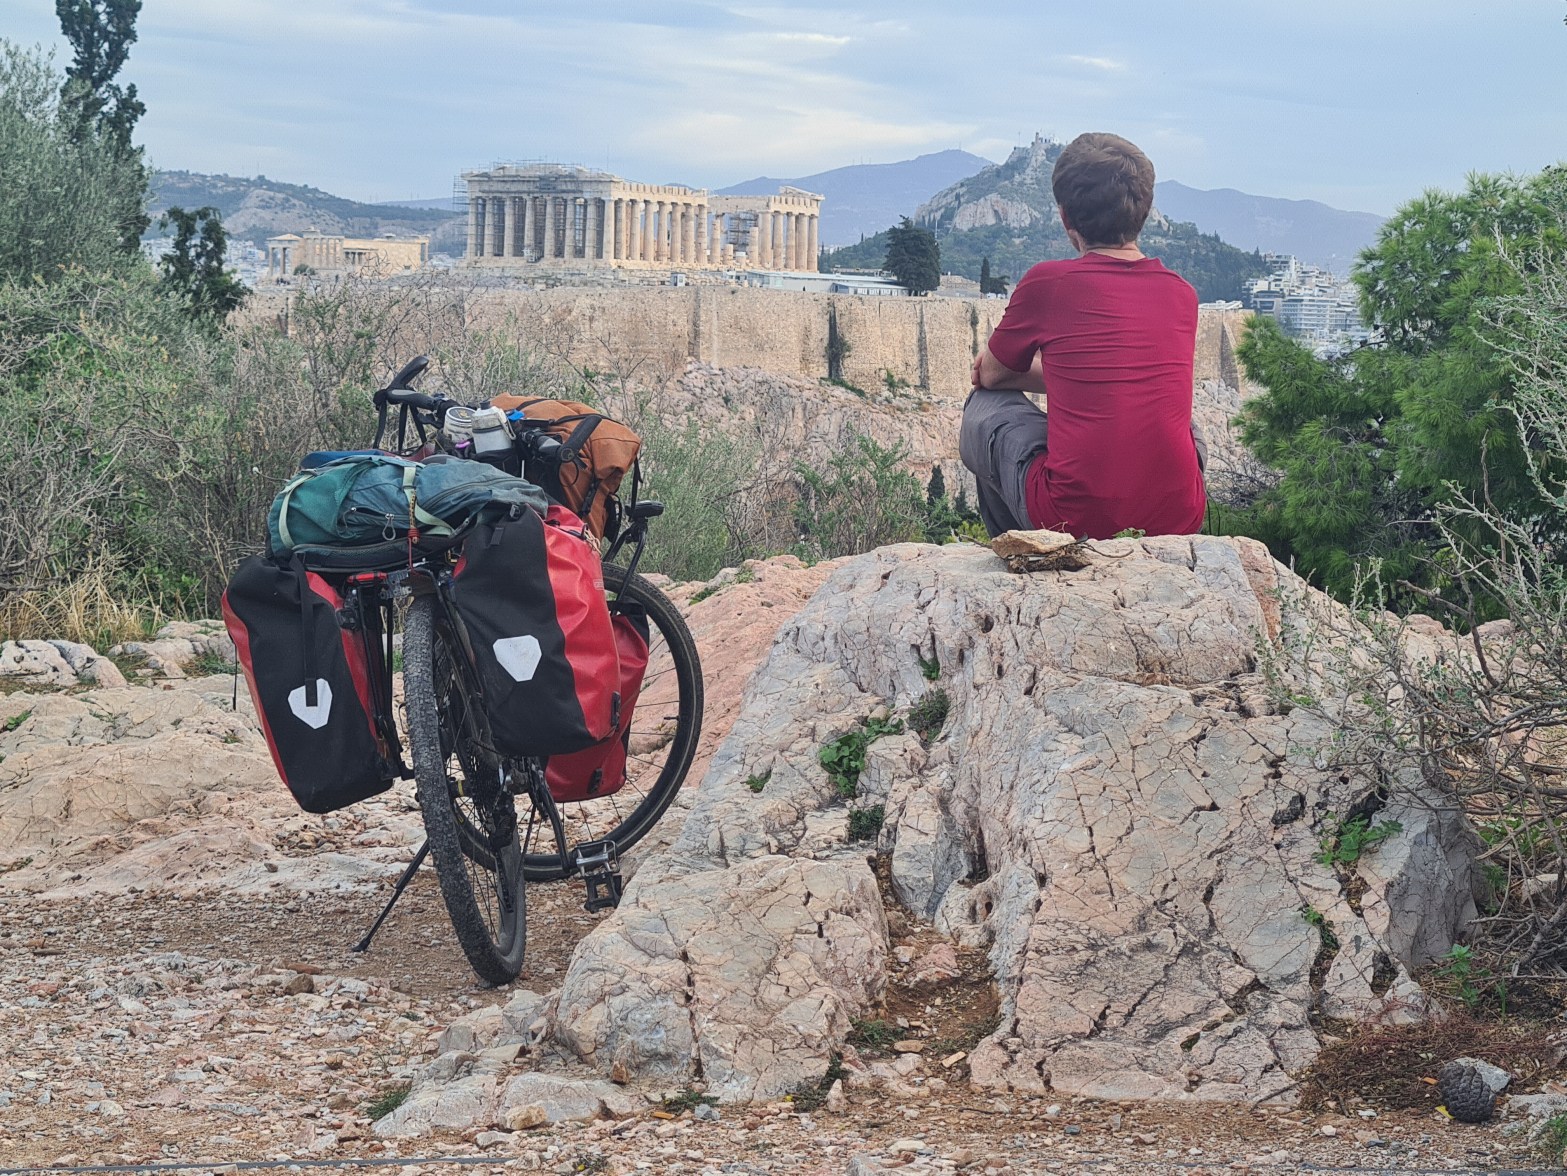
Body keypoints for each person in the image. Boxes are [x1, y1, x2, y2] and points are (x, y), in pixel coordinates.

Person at [959, 132, 1206, 541]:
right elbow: (1121, 376)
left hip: (1072, 520)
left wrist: (1037, 372)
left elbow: (989, 375)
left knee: (983, 407)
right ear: (1145, 211)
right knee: (1182, 423)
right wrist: (1068, 374)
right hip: (1179, 517)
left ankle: (1014, 545)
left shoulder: (1049, 283)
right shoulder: (1183, 293)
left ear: (1065, 218)